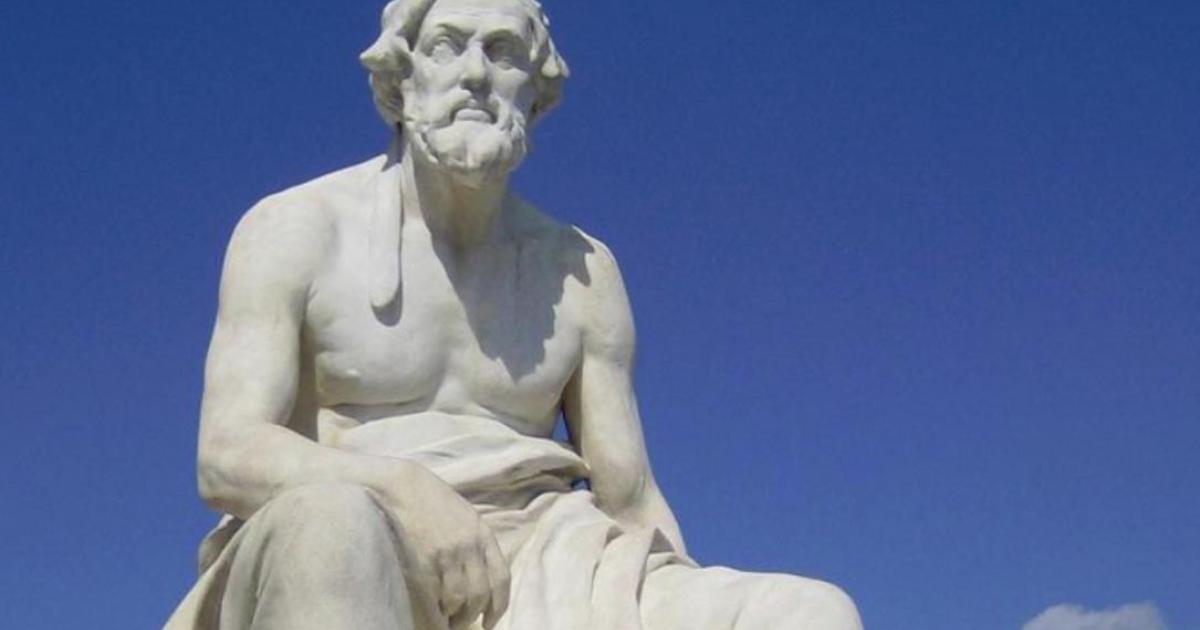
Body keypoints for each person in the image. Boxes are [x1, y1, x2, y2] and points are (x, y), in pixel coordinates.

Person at [164, 0, 863, 628]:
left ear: (536, 93)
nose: (475, 73)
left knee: (808, 612)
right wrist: (405, 489)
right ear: (402, 78)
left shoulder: (580, 270)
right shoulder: (296, 229)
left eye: (502, 51)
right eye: (446, 45)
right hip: (353, 538)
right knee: (332, 525)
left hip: (540, 560)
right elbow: (226, 454)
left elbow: (631, 500)